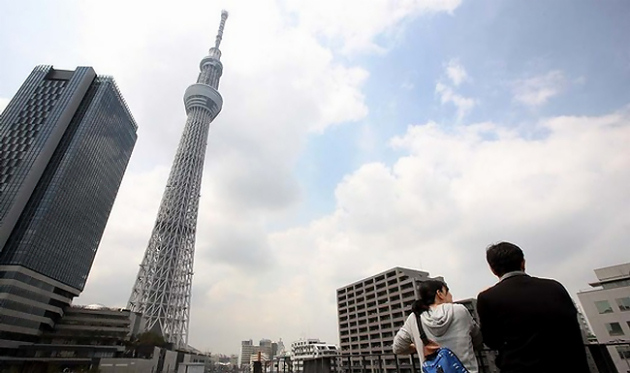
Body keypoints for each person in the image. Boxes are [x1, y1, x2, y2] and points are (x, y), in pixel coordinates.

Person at [476, 241, 590, 373]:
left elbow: (492, 341)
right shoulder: (554, 287)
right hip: (570, 366)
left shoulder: (488, 298)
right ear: (523, 262)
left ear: (492, 269)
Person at [393, 280, 483, 372]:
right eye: (447, 291)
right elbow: (478, 339)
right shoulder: (460, 310)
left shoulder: (414, 317)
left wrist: (417, 346)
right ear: (439, 293)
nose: (451, 295)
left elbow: (397, 348)